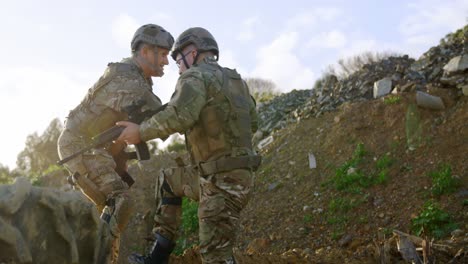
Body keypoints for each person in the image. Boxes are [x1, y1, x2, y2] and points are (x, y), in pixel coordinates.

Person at [117, 27, 261, 264]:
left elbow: (178, 115)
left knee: (215, 257)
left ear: (192, 53)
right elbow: (252, 123)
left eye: (178, 60)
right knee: (169, 180)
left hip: (221, 184)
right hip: (230, 176)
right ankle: (157, 257)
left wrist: (139, 132)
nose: (178, 68)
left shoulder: (195, 77)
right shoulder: (238, 83)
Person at [57, 24, 174, 263]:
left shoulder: (133, 76)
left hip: (96, 147)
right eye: (162, 54)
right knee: (121, 200)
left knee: (113, 207)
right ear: (144, 51)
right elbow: (165, 114)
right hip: (80, 146)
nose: (166, 61)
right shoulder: (128, 78)